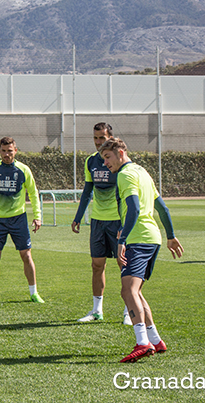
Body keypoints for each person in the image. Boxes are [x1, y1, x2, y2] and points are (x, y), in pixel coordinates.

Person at [98, 137, 184, 363]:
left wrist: (122, 239)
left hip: (138, 239)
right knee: (135, 291)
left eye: (107, 157)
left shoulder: (125, 175)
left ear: (120, 152)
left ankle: (142, 343)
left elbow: (134, 209)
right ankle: (155, 340)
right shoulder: (143, 172)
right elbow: (162, 208)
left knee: (128, 291)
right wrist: (170, 235)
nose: (106, 163)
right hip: (152, 238)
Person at [71, 123, 131, 324]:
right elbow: (88, 191)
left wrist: (125, 222)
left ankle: (128, 312)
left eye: (102, 138)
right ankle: (97, 311)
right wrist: (78, 217)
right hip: (97, 221)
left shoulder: (119, 162)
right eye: (96, 138)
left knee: (124, 265)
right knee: (97, 265)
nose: (98, 142)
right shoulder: (90, 162)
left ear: (110, 137)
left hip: (117, 221)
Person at [0, 137, 44, 304]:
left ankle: (34, 292)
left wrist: (37, 216)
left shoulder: (23, 170)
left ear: (16, 151)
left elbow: (33, 193)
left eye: (10, 151)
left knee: (26, 255)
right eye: (3, 150)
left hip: (18, 219)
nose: (6, 154)